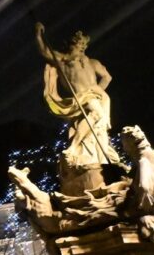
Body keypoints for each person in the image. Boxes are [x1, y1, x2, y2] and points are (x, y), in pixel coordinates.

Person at [34, 22, 119, 167]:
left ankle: (104, 161)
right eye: (79, 43)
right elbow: (44, 51)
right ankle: (73, 148)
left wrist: (97, 89)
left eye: (84, 44)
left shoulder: (91, 61)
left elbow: (107, 77)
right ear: (71, 44)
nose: (82, 46)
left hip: (99, 96)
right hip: (82, 95)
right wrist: (38, 33)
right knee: (96, 115)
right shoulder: (62, 59)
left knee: (101, 127)